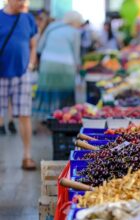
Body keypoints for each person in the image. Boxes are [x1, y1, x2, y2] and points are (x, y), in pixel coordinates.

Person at [0, 0, 38, 169]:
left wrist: (30, 64)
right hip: (1, 75)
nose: (23, 2)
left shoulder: (28, 18)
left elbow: (33, 45)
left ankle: (27, 156)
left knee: (25, 115)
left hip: (23, 74)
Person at [32, 11, 82, 123]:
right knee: (65, 92)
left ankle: (44, 117)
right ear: (75, 22)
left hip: (47, 64)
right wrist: (78, 68)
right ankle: (64, 118)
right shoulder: (75, 32)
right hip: (66, 66)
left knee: (47, 90)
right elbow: (76, 54)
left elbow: (40, 47)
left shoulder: (52, 26)